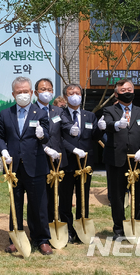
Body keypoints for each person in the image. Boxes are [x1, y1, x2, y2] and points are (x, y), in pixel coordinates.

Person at [0, 76, 54, 255]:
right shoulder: (6, 114)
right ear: (13, 94)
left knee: (38, 204)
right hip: (14, 167)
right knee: (16, 203)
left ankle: (42, 239)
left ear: (31, 93)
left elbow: (47, 137)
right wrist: (3, 151)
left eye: (26, 92)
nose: (23, 95)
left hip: (35, 165)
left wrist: (42, 135)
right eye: (19, 92)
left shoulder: (41, 112)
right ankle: (16, 238)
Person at [98, 79, 140, 240]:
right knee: (117, 195)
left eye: (129, 89)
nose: (127, 92)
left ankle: (138, 225)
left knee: (139, 194)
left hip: (138, 160)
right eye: (123, 90)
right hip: (116, 158)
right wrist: (116, 125)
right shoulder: (109, 110)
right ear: (116, 94)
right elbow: (105, 124)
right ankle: (119, 229)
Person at [59, 83, 102, 244]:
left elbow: (94, 136)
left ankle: (81, 228)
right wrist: (72, 149)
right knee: (65, 198)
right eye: (71, 93)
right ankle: (68, 230)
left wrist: (101, 128)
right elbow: (59, 138)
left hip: (85, 164)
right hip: (67, 162)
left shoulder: (89, 116)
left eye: (77, 92)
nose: (75, 95)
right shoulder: (60, 115)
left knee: (83, 197)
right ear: (65, 97)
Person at [34, 78, 64, 239]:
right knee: (41, 196)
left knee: (55, 195)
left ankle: (53, 225)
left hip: (57, 159)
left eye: (49, 89)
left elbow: (64, 132)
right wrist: (45, 148)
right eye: (42, 89)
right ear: (36, 92)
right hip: (39, 158)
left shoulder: (58, 111)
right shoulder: (31, 111)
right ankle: (40, 227)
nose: (46, 92)